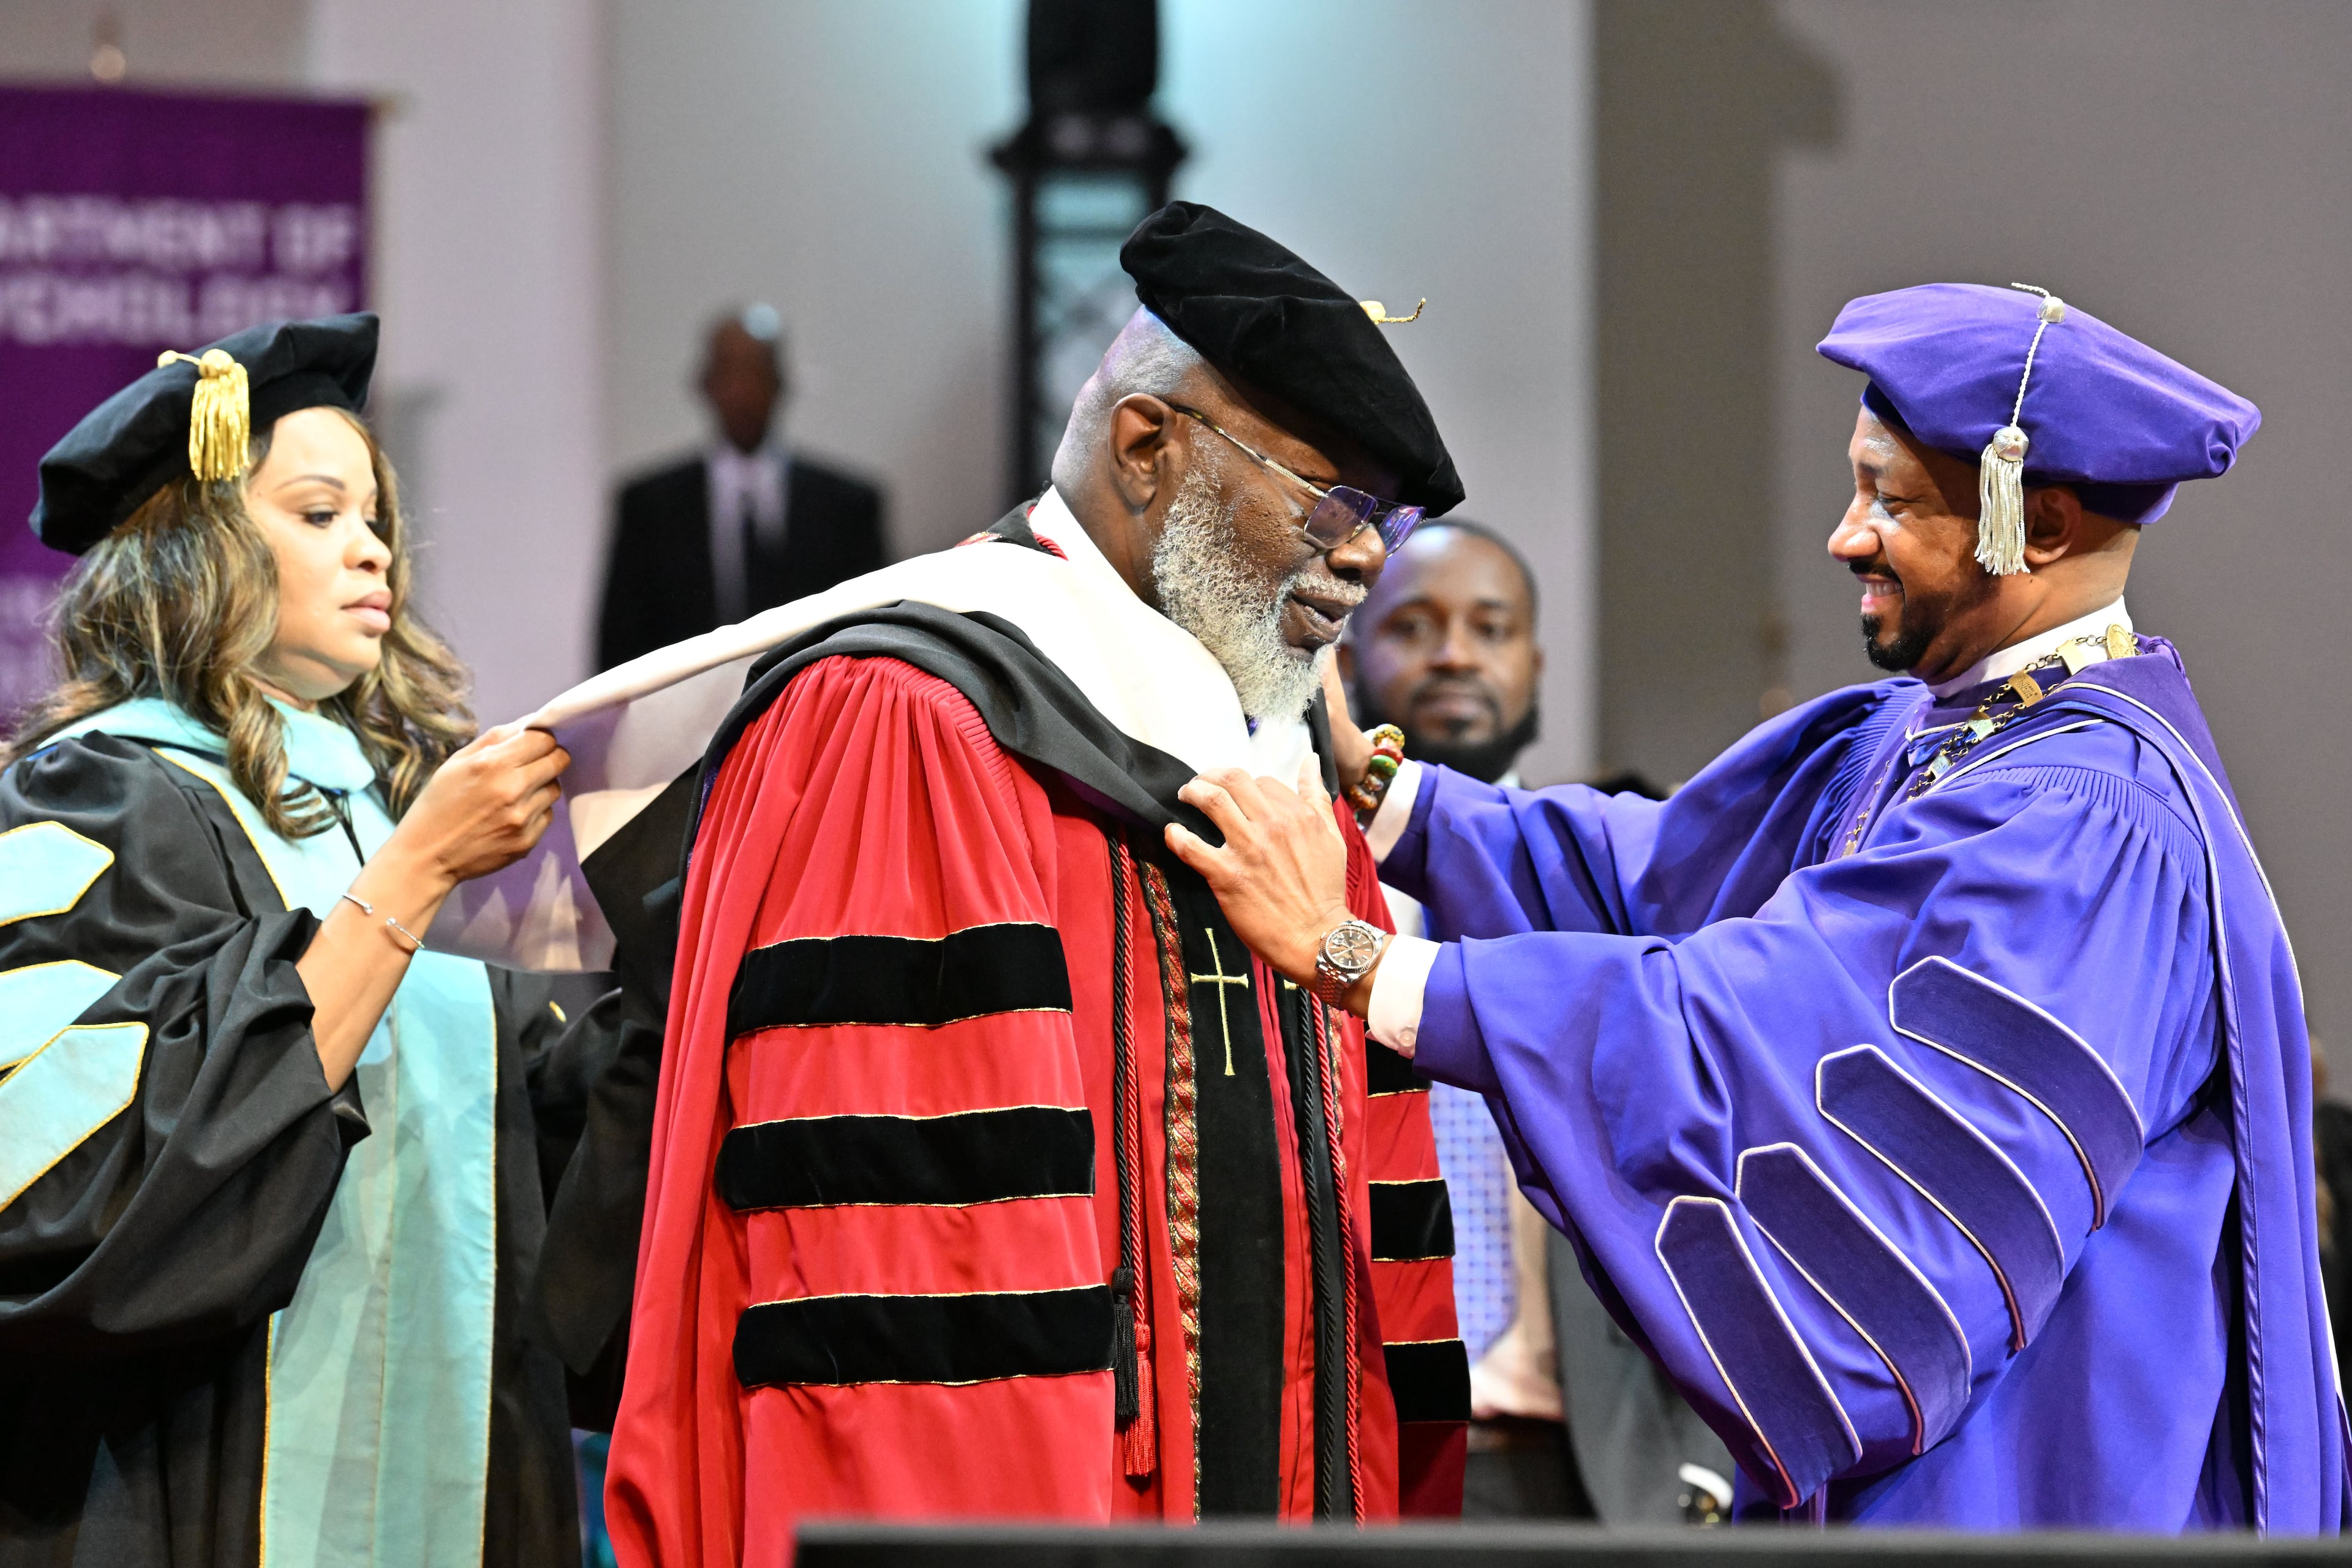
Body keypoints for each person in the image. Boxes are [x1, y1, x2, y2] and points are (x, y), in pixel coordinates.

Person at [1169, 281, 2346, 1528]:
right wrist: (1381, 792)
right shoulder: (1930, 736)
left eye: (1890, 498)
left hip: (2030, 1497)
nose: (1847, 535)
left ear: (2036, 523)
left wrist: (1363, 962)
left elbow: (1754, 1030)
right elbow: (1659, 877)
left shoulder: (2087, 826)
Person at [570, 203, 1469, 1559]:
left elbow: (1378, 1242)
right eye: (1329, 499)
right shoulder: (912, 727)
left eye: (1380, 519)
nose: (1362, 559)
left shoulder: (1283, 780)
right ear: (1148, 445)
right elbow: (904, 1284)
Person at [0, 315, 622, 1565]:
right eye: (319, 512)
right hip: (187, 1486)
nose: (373, 547)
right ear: (198, 547)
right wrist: (413, 875)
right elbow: (73, 1197)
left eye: (377, 515)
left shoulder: (389, 813)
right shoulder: (88, 800)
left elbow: (531, 1167)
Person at [1344, 521, 1733, 1523]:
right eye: (1415, 626)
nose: (1455, 653)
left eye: (1490, 626)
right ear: (1347, 657)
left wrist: (1710, 1456)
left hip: (1597, 1463)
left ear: (1536, 663)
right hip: (1366, 1446)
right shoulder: (1297, 889)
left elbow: (1720, 1176)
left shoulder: (1621, 884)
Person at [594, 306, 887, 671]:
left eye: (758, 371)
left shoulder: (847, 508)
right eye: (730, 371)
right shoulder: (650, 508)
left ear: (781, 383)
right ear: (705, 384)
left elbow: (876, 639)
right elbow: (618, 651)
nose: (744, 390)